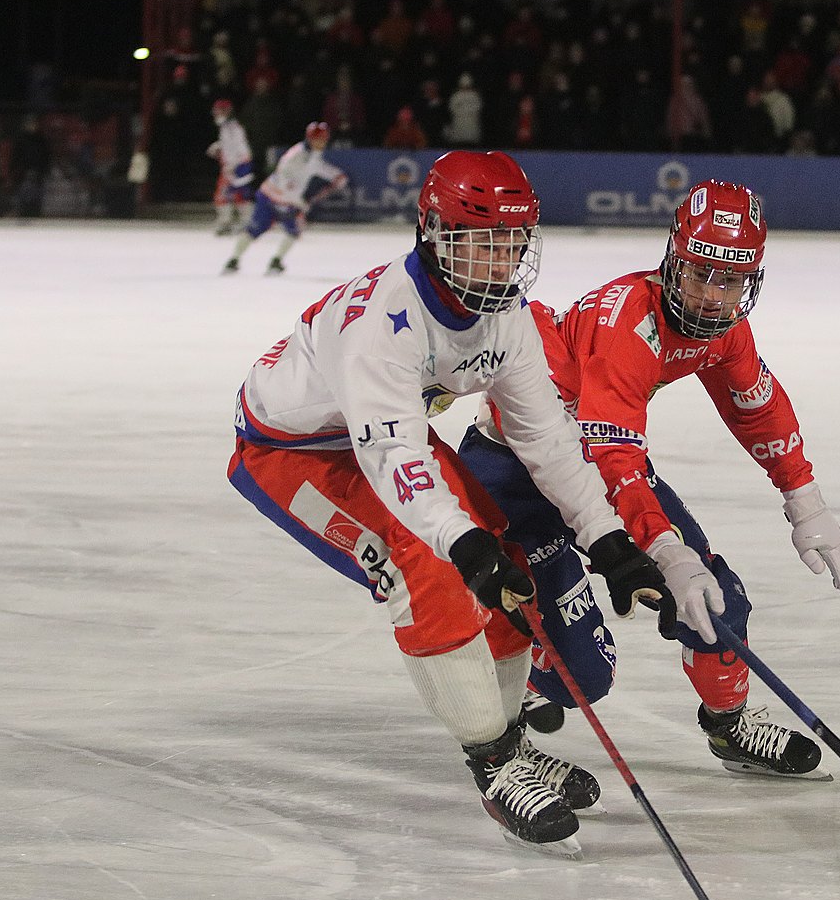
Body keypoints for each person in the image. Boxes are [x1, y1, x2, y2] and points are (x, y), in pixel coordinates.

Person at [226, 150, 692, 857]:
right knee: (432, 567)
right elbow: (396, 462)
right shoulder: (381, 327)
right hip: (295, 452)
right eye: (482, 243)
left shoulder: (507, 316)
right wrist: (461, 545)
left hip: (381, 434)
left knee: (503, 552)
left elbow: (548, 443)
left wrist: (608, 540)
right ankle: (492, 760)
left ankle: (510, 741)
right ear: (435, 236)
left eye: (513, 243)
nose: (501, 262)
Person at [457, 179, 840, 778]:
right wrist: (667, 551)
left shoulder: (722, 328)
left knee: (720, 601)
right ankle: (506, 714)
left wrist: (805, 500)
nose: (712, 297)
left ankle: (729, 728)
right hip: (514, 471)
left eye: (731, 281)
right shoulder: (628, 328)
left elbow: (757, 406)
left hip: (595, 460)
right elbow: (613, 462)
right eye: (700, 273)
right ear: (673, 258)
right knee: (582, 675)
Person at [223, 121, 348, 275]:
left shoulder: (313, 153)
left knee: (294, 231)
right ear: (310, 138)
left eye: (324, 139)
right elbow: (285, 179)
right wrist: (298, 201)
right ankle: (233, 260)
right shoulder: (296, 154)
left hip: (283, 198)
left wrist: (335, 175)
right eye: (318, 139)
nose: (322, 143)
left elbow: (315, 167)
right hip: (272, 196)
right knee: (255, 229)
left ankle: (276, 261)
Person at [207, 99, 255, 235]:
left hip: (236, 166)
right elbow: (229, 144)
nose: (215, 114)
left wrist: (233, 165)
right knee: (240, 195)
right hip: (238, 164)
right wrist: (218, 146)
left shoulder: (232, 128)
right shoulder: (228, 127)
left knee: (224, 195)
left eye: (218, 111)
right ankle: (245, 222)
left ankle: (227, 223)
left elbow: (240, 148)